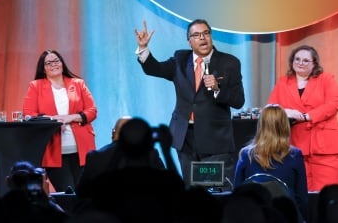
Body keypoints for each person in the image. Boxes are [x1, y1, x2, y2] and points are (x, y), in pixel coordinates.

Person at [134, 19, 245, 185]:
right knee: (190, 189)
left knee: (212, 190)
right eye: (197, 35)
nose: (203, 38)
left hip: (214, 140)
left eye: (206, 33)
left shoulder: (229, 62)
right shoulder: (180, 59)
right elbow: (155, 69)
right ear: (189, 41)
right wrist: (143, 48)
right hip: (185, 138)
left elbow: (238, 101)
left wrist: (217, 89)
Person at [267, 45, 338, 191]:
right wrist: (285, 112)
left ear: (314, 63)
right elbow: (271, 109)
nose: (300, 63)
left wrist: (306, 116)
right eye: (297, 59)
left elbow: (333, 104)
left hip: (325, 145)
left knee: (328, 193)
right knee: (301, 193)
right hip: (296, 145)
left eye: (305, 60)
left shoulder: (326, 79)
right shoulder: (283, 82)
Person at [22, 49, 97, 192]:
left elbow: (92, 111)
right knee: (67, 194)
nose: (53, 64)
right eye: (48, 63)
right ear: (43, 69)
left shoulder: (78, 84)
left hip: (82, 151)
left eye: (56, 60)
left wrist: (71, 117)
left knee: (85, 194)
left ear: (62, 63)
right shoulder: (36, 86)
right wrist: (53, 121)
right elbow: (28, 114)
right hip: (53, 152)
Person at [233, 104, 309, 221]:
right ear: (285, 126)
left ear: (261, 125)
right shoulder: (295, 155)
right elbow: (302, 200)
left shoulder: (245, 155)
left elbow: (236, 195)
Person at [75, 116, 167, 196]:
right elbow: (166, 184)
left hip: (106, 213)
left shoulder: (95, 157)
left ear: (113, 133)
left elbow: (81, 193)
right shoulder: (150, 153)